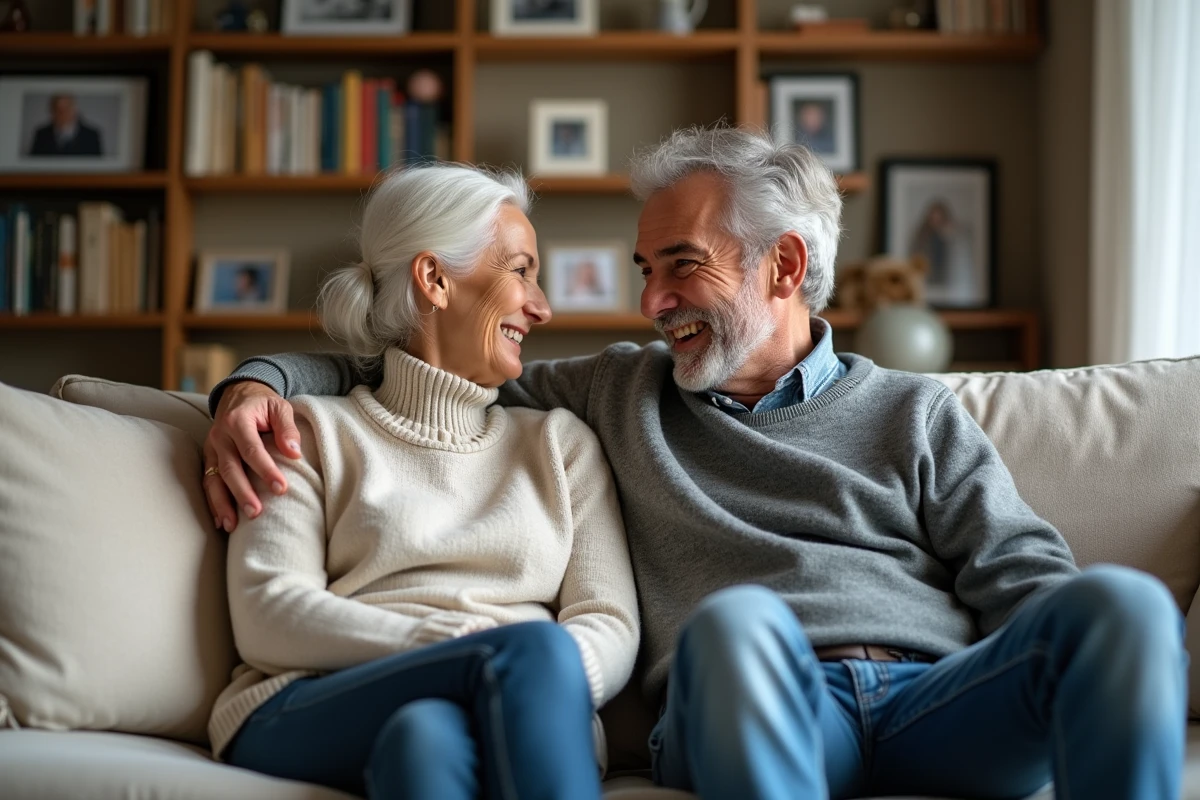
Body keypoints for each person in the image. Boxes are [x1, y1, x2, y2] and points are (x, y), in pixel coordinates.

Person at [204, 127, 1186, 800]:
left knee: (1125, 605)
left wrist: (1049, 681)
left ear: (784, 268)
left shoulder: (913, 409)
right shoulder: (615, 393)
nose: (655, 300)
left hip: (933, 701)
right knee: (739, 621)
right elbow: (415, 363)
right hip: (744, 693)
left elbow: (1026, 579)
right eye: (646, 270)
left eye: (682, 264)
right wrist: (252, 384)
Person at [204, 164, 639, 800]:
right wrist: (462, 651)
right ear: (434, 279)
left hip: (513, 704)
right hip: (312, 700)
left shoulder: (561, 444)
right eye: (521, 271)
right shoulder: (308, 431)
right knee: (536, 654)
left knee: (425, 740)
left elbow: (608, 620)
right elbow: (269, 614)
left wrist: (528, 691)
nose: (542, 307)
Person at [29, 95, 103, 157]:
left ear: (74, 110)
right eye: (58, 110)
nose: (63, 114)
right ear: (52, 111)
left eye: (66, 109)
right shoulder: (41, 134)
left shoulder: (91, 135)